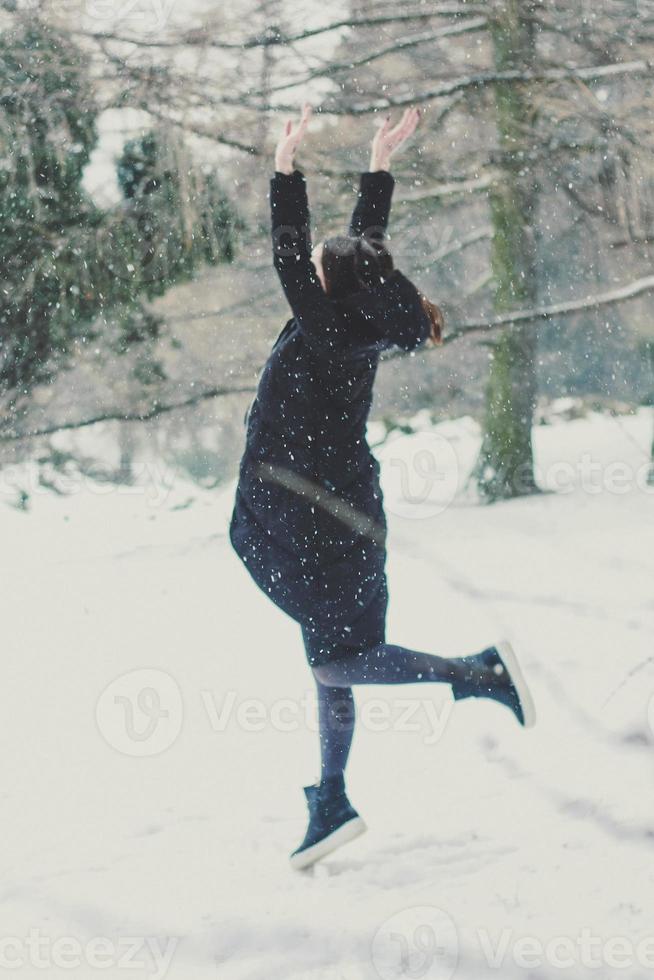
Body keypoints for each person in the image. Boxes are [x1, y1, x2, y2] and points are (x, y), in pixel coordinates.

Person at [229, 103, 536, 871]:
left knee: (340, 662)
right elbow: (363, 249)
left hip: (321, 522)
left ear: (329, 286)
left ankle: (478, 675)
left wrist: (285, 168)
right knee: (329, 659)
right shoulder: (351, 317)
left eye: (326, 267)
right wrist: (378, 160)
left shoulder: (328, 325)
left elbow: (290, 255)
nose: (324, 266)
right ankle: (331, 799)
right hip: (329, 515)